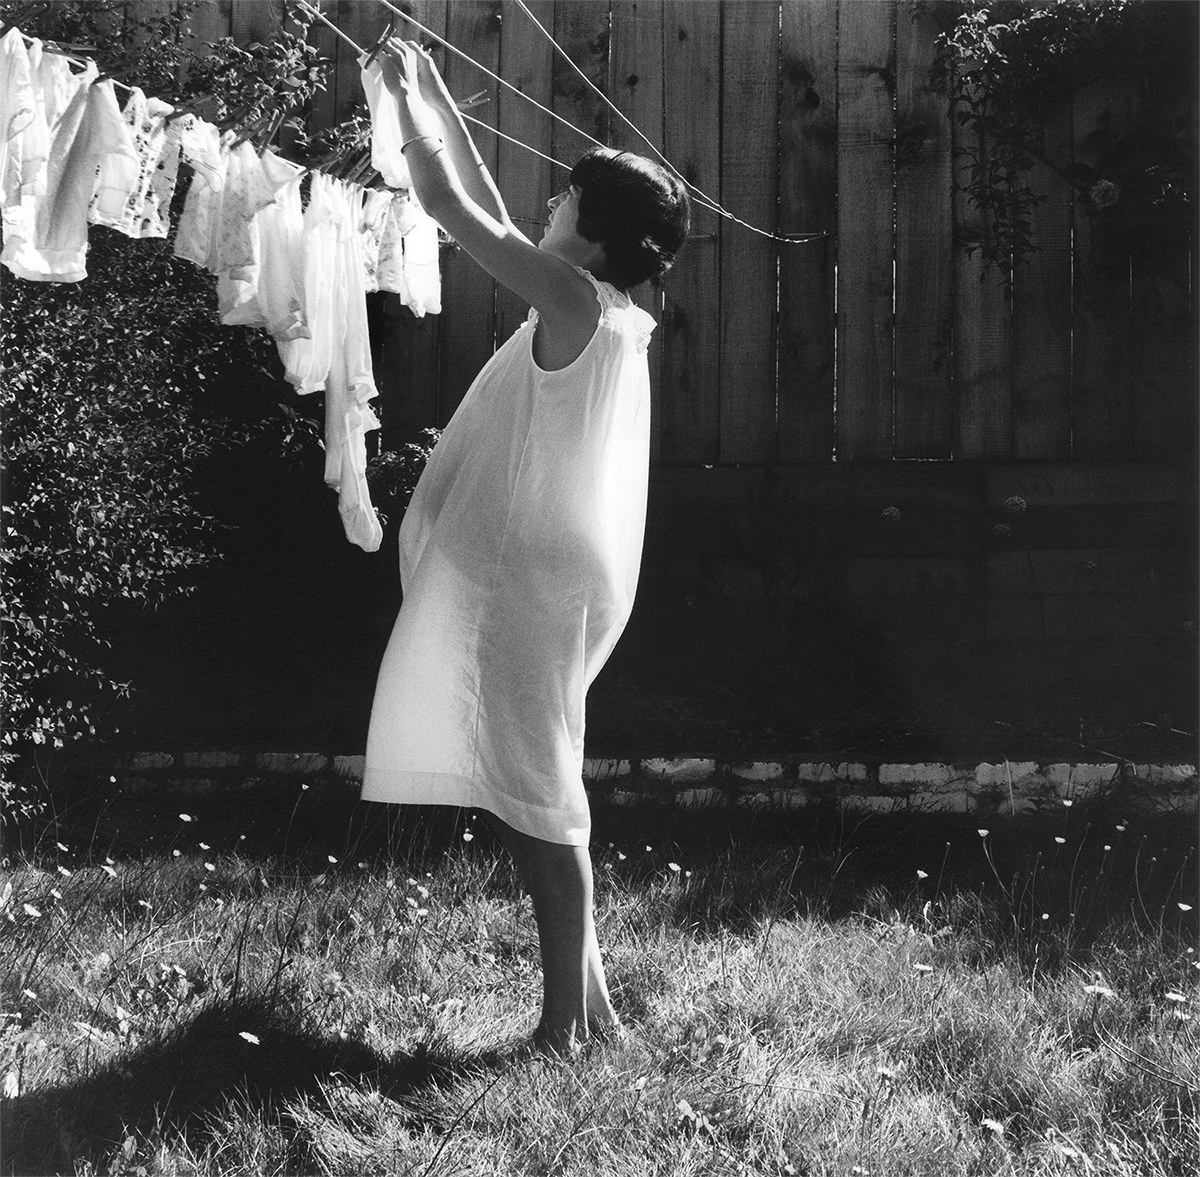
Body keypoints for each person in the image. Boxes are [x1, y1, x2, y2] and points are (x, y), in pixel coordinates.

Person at [360, 40, 689, 1053]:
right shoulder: (612, 307)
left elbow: (466, 216)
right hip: (554, 566)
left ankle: (564, 1030)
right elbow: (496, 206)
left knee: (545, 799)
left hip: (536, 574)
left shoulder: (578, 301)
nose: (548, 208)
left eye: (564, 201)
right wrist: (422, 94)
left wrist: (412, 112)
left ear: (590, 236)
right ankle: (594, 1013)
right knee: (542, 787)